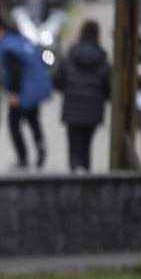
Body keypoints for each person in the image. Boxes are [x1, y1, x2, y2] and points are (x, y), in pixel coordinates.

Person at [51, 20, 111, 173]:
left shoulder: (70, 56)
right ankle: (85, 174)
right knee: (87, 145)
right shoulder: (102, 59)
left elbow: (57, 80)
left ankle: (75, 171)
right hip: (93, 111)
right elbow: (109, 87)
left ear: (79, 35)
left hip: (72, 110)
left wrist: (68, 90)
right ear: (98, 37)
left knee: (74, 146)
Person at [0, 18, 52, 170]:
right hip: (35, 89)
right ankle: (40, 145)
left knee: (13, 124)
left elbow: (14, 72)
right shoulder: (23, 41)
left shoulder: (8, 45)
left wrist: (13, 93)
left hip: (22, 91)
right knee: (33, 120)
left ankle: (22, 158)